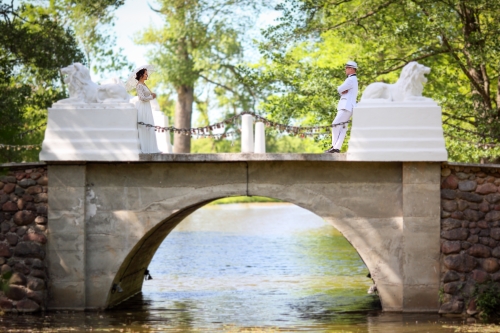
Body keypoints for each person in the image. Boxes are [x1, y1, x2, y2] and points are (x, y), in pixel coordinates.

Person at [325, 61, 358, 153]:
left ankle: (334, 147)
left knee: (335, 124)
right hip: (349, 106)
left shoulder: (351, 79)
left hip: (346, 106)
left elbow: (340, 89)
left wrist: (340, 89)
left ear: (351, 69)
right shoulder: (353, 79)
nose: (345, 70)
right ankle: (336, 148)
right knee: (343, 128)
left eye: (347, 68)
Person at [134, 68, 161, 154]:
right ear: (141, 75)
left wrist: (151, 95)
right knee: (145, 126)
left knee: (149, 126)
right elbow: (141, 98)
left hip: (147, 106)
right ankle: (145, 149)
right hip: (143, 107)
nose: (147, 75)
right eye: (146, 74)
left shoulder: (144, 85)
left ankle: (151, 148)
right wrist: (151, 97)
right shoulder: (139, 85)